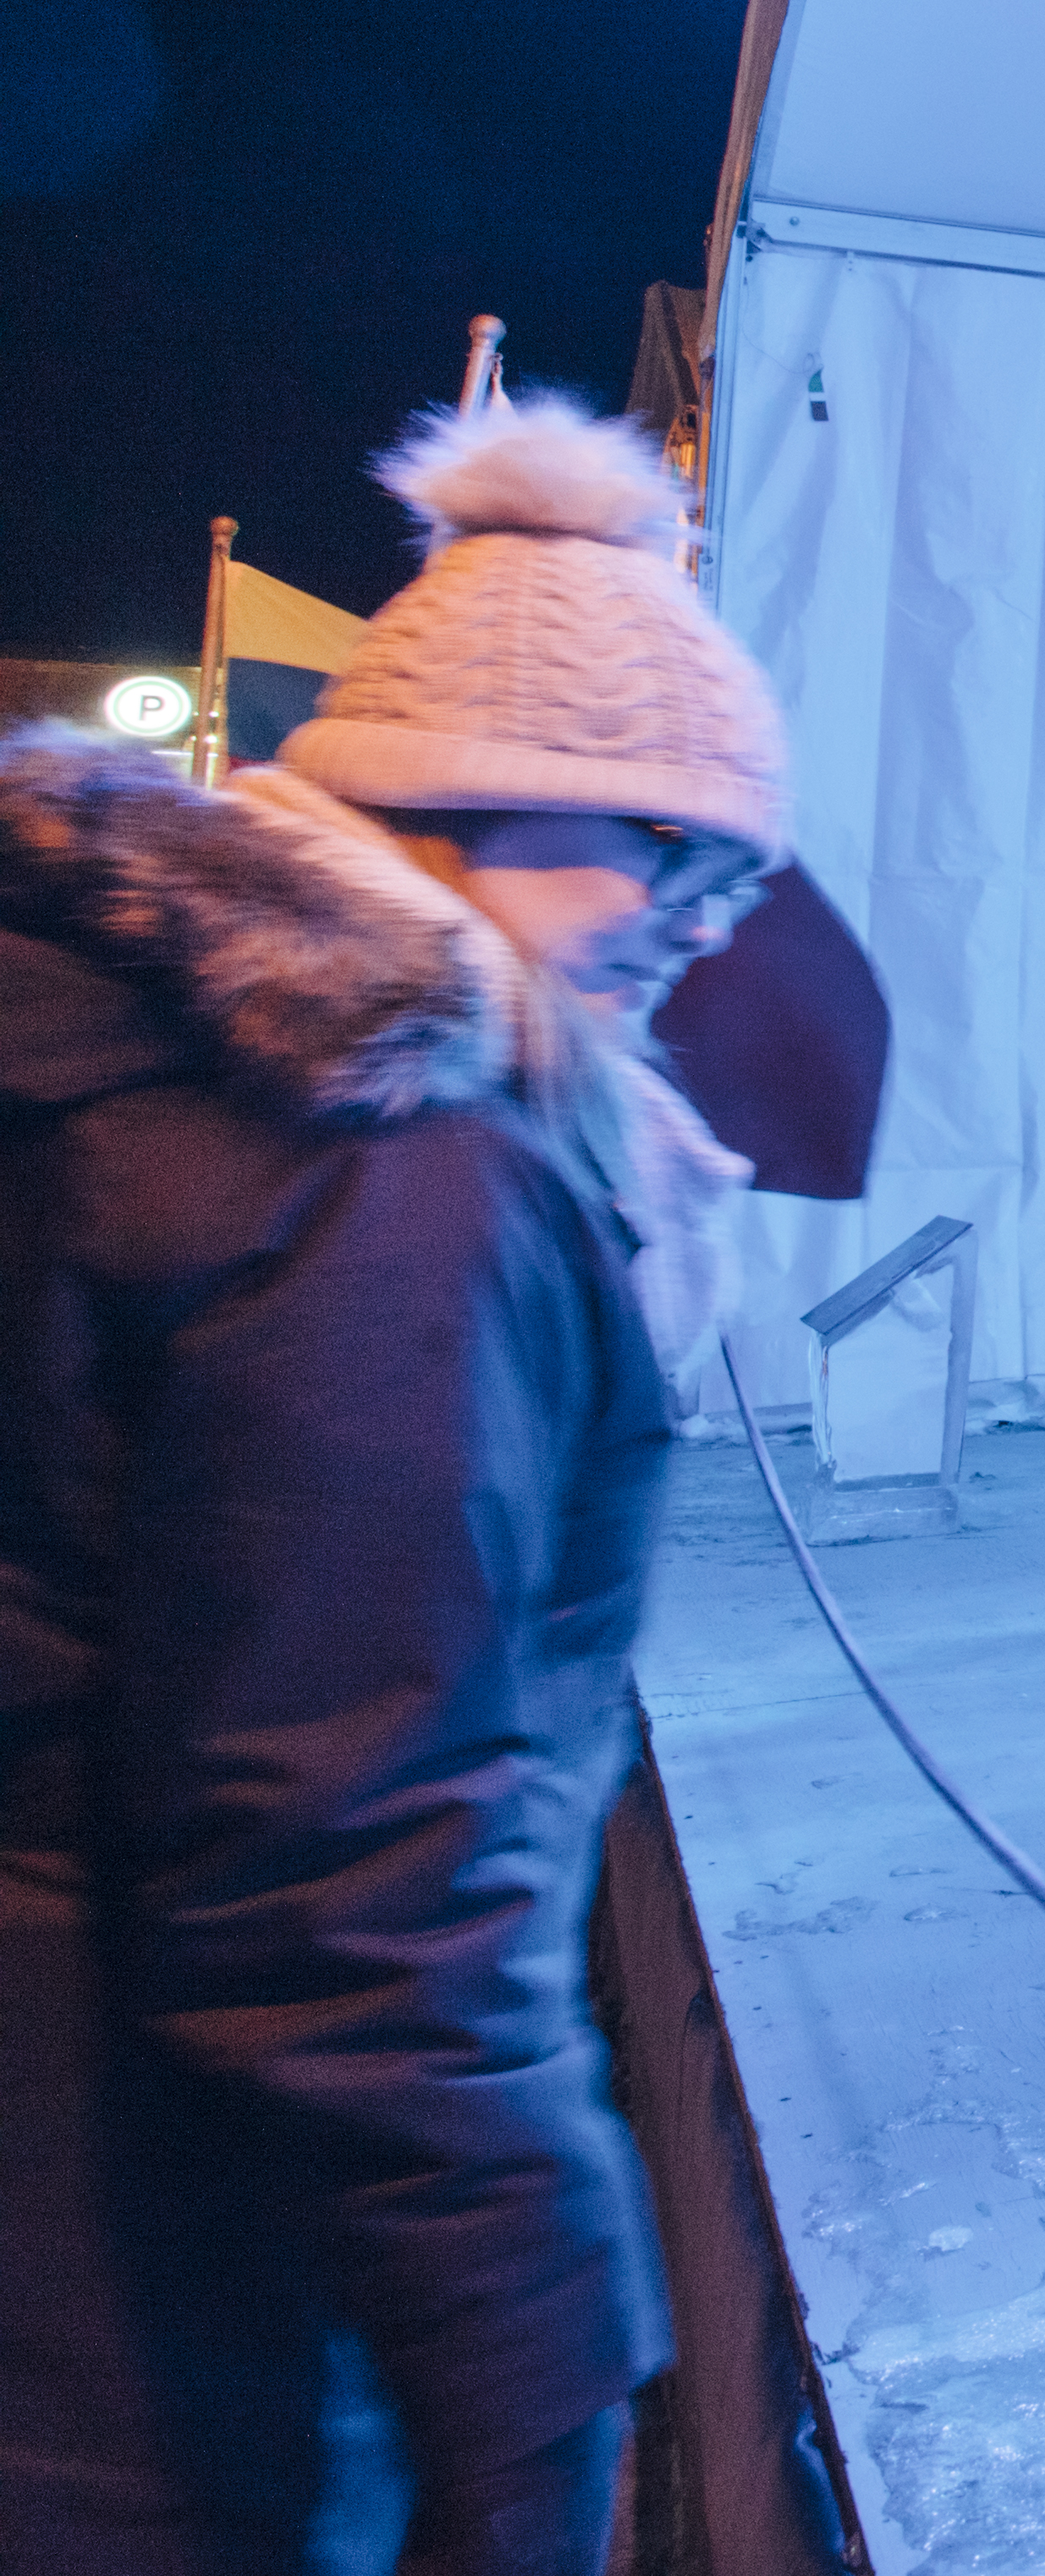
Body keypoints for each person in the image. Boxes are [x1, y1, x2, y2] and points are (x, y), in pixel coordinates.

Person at [3, 396, 788, 2573]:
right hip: (140, 2287)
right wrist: (543, 2368)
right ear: (460, 796)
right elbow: (350, 1864)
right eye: (670, 846)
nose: (703, 921)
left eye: (740, 872)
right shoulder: (384, 1154)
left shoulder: (87, 1032)